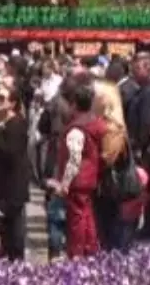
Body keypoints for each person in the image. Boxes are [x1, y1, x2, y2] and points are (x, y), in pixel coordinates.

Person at [45, 76, 105, 258]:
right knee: (86, 216)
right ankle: (90, 249)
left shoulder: (76, 128)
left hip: (78, 181)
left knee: (76, 219)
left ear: (74, 104)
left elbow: (74, 160)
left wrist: (65, 183)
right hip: (90, 177)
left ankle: (77, 252)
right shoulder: (94, 122)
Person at [0, 82, 31, 260]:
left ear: (12, 103)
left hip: (14, 183)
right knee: (2, 223)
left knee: (15, 227)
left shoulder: (17, 124)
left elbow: (10, 152)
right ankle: (5, 248)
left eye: (2, 98)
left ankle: (17, 258)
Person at [92, 80, 138, 252]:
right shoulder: (100, 124)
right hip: (102, 190)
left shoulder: (113, 128)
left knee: (109, 237)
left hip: (109, 190)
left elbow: (106, 160)